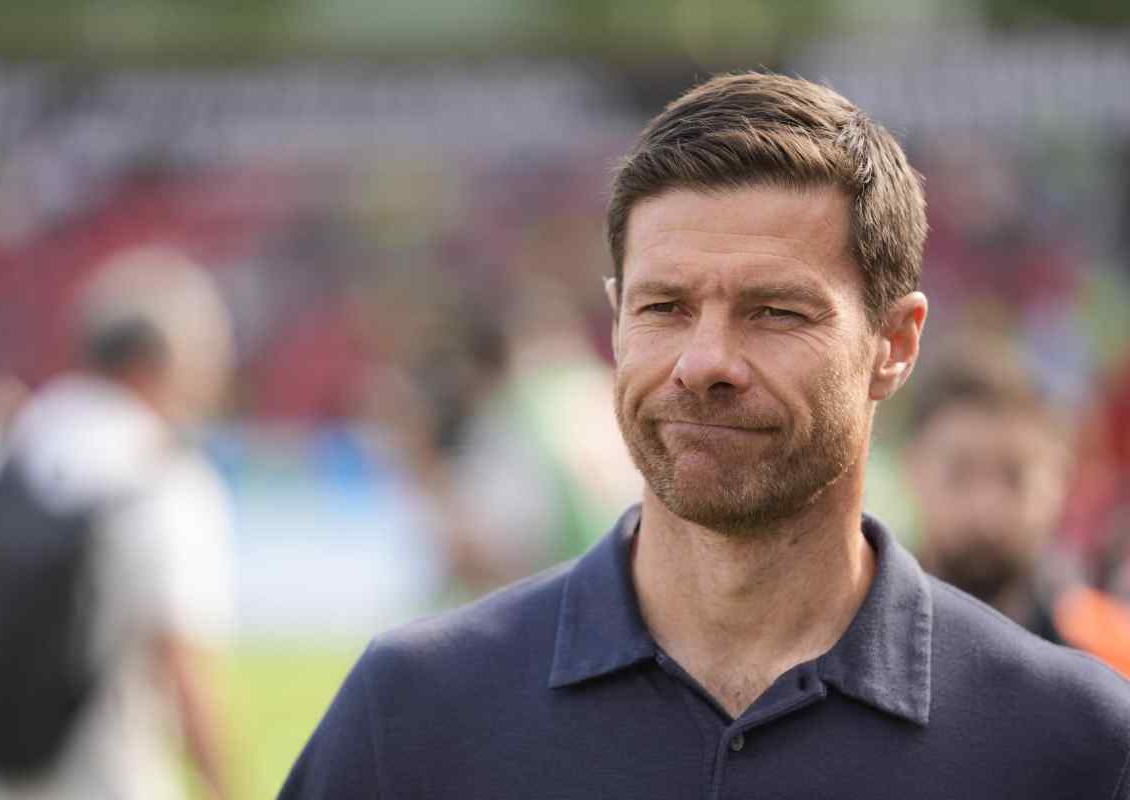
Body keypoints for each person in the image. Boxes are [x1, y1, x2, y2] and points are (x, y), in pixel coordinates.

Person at [280, 73, 1130, 799]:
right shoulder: (413, 715)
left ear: (895, 345)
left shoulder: (1071, 742)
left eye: (775, 311)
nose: (704, 363)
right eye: (664, 307)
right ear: (615, 319)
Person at [0, 248, 236, 800]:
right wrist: (223, 787)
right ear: (156, 360)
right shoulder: (160, 475)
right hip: (98, 776)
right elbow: (181, 665)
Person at [905, 353, 1073, 642]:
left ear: (1060, 480)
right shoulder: (845, 642)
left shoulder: (1109, 653)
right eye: (959, 474)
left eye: (1013, 477)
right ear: (914, 469)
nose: (986, 509)